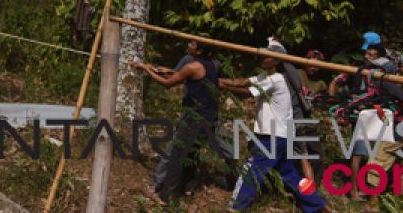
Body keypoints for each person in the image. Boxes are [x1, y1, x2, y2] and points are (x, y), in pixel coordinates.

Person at [221, 42, 327, 212]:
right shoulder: (267, 77)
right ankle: (318, 205)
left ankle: (237, 206)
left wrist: (223, 86)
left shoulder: (276, 79)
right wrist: (217, 79)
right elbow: (243, 82)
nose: (263, 58)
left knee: (254, 169)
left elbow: (246, 92)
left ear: (277, 61)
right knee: (291, 175)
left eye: (268, 56)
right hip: (280, 136)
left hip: (273, 136)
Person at [134, 40, 226, 204]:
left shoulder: (193, 66)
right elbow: (189, 79)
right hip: (211, 116)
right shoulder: (214, 64)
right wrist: (167, 70)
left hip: (195, 117)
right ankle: (187, 188)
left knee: (177, 154)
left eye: (193, 44)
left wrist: (146, 69)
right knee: (192, 152)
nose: (189, 45)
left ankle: (164, 197)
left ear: (199, 51)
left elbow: (168, 84)